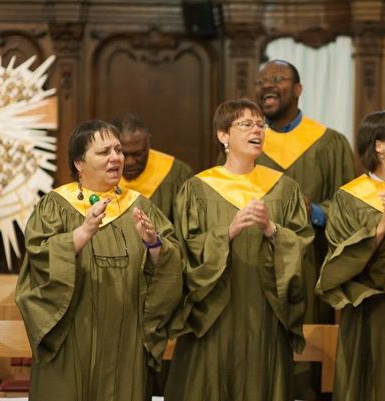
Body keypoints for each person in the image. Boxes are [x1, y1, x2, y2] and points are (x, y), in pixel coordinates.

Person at [15, 120, 183, 401]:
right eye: (104, 152)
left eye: (118, 150)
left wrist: (154, 243)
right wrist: (81, 234)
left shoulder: (139, 206)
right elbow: (38, 260)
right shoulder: (55, 206)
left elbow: (172, 264)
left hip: (126, 340)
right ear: (79, 162)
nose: (117, 157)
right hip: (72, 338)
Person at [164, 99, 314, 401]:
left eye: (261, 124)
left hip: (264, 310)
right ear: (223, 136)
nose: (257, 130)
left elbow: (302, 244)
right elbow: (184, 250)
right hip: (214, 312)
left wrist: (272, 231)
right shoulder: (197, 188)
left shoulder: (283, 188)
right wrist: (227, 233)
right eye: (246, 124)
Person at [254, 59, 355, 399]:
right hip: (258, 266)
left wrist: (313, 211)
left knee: (309, 360)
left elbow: (349, 209)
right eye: (262, 80)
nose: (268, 85)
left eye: (278, 78)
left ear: (298, 89)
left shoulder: (329, 142)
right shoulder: (246, 144)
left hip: (313, 265)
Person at [316, 111, 385, 400]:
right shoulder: (350, 198)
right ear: (379, 146)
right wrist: (384, 222)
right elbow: (340, 259)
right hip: (370, 307)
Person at [112, 113, 193, 221]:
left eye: (138, 154)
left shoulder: (177, 173)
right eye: (122, 153)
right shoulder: (96, 175)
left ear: (148, 142)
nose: (130, 162)